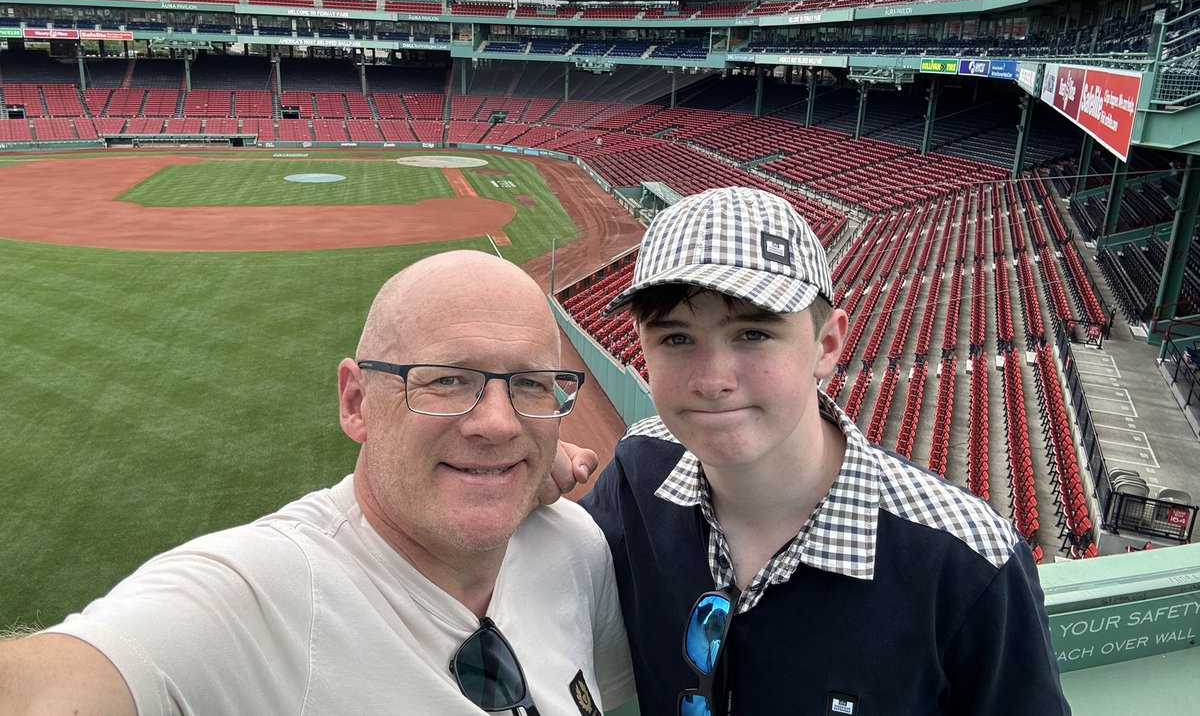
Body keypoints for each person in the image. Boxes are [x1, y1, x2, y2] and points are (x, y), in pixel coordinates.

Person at [0, 250, 632, 715]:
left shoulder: (575, 546)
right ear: (356, 402)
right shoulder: (258, 594)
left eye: (528, 383)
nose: (497, 423)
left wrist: (508, 479)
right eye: (446, 379)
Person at [579, 186, 1070, 715]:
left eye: (752, 334)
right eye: (675, 338)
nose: (712, 380)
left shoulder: (968, 560)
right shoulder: (639, 466)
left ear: (827, 346)